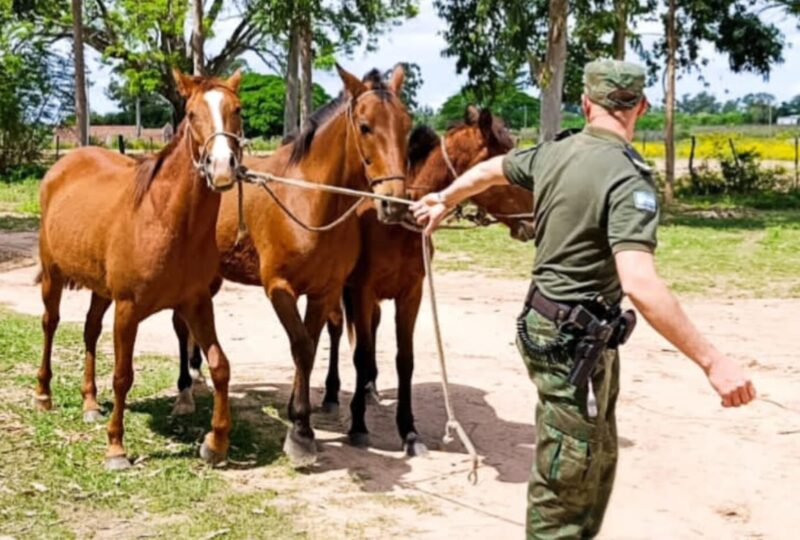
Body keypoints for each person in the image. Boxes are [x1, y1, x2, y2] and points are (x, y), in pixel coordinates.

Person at [410, 59, 757, 539]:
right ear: (642, 107)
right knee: (568, 474)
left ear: (586, 103)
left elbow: (490, 170)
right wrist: (713, 361)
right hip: (569, 341)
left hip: (558, 325)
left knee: (593, 453)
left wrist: (445, 198)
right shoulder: (627, 178)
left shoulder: (555, 153)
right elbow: (639, 283)